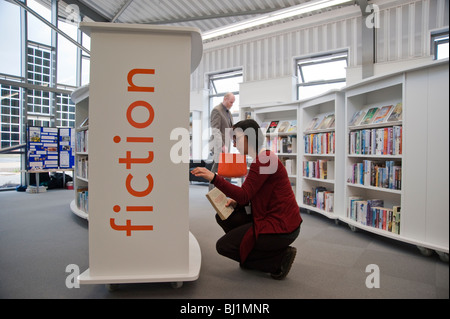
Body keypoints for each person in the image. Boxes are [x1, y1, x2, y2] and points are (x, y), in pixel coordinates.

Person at [191, 119, 302, 280]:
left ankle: (278, 259)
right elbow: (253, 193)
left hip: (282, 227)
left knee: (223, 247)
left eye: (236, 138)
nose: (234, 143)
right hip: (272, 218)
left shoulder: (264, 160)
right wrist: (237, 202)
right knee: (225, 216)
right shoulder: (262, 158)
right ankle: (255, 253)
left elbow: (244, 195)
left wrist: (214, 178)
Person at [209, 92, 235, 175]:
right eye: (231, 102)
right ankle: (212, 188)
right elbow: (215, 130)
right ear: (225, 99)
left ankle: (223, 188)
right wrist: (222, 145)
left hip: (226, 145)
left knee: (224, 171)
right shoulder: (217, 110)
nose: (232, 105)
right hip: (219, 145)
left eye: (233, 103)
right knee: (216, 171)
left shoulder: (228, 112)